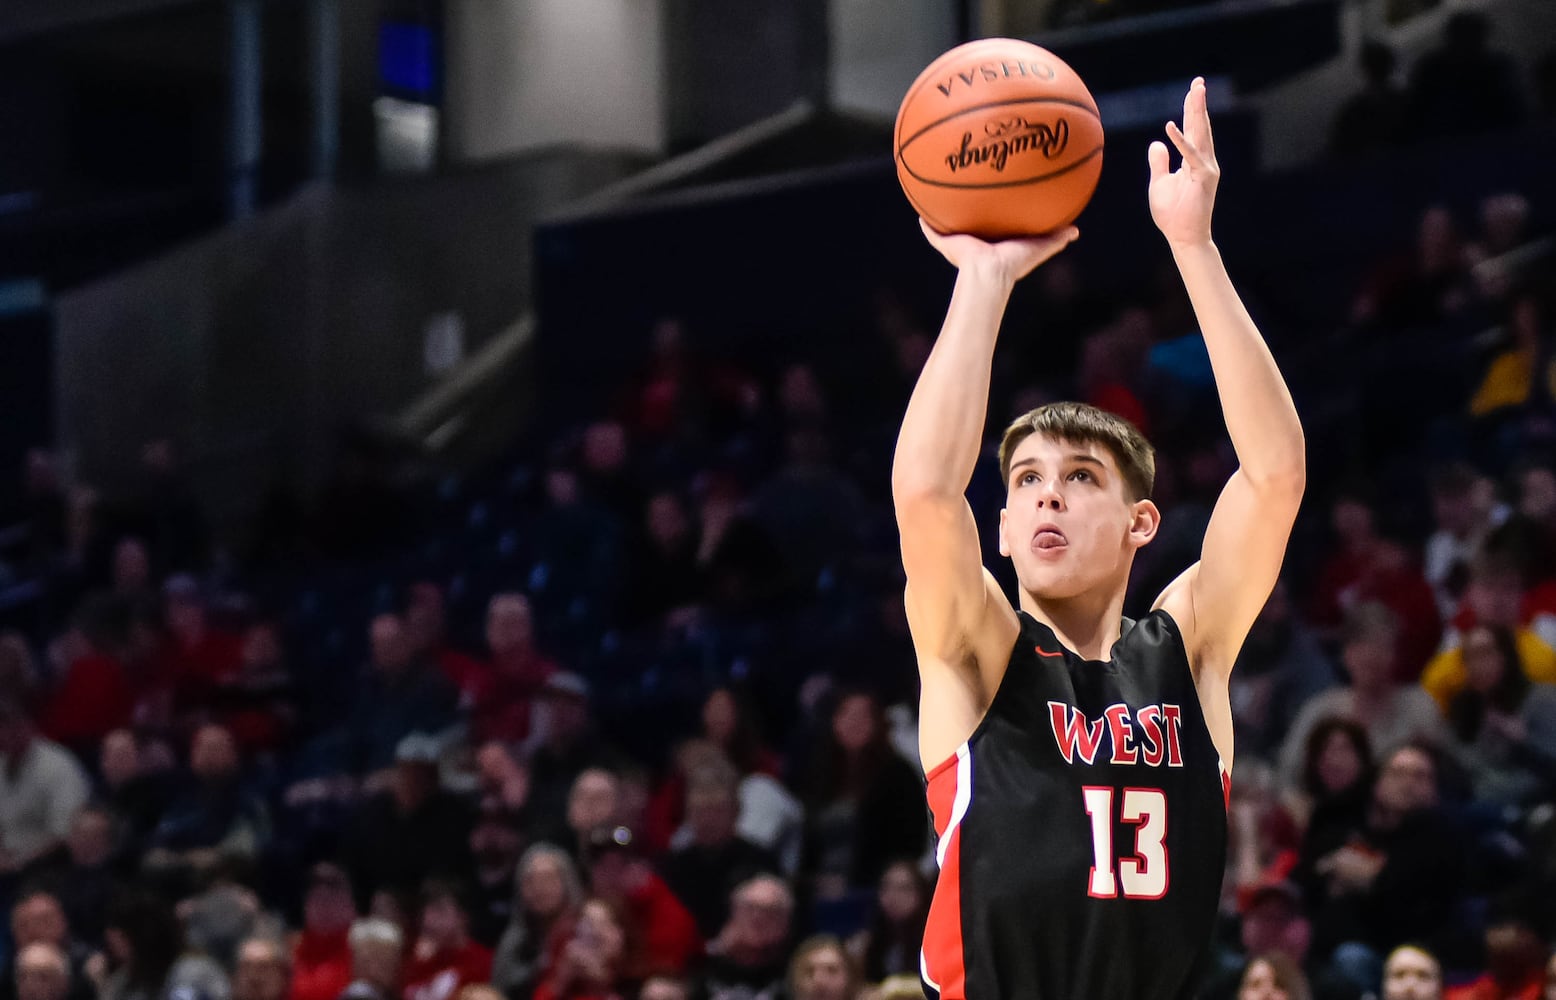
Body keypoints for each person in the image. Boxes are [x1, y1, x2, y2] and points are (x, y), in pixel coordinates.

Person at [893, 78, 1305, 1000]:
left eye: (1082, 479)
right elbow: (924, 492)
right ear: (1000, 526)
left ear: (1140, 523)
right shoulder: (980, 654)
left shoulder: (1187, 649)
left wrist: (1194, 248)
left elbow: (1275, 477)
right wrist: (984, 280)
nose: (1048, 499)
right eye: (1027, 482)